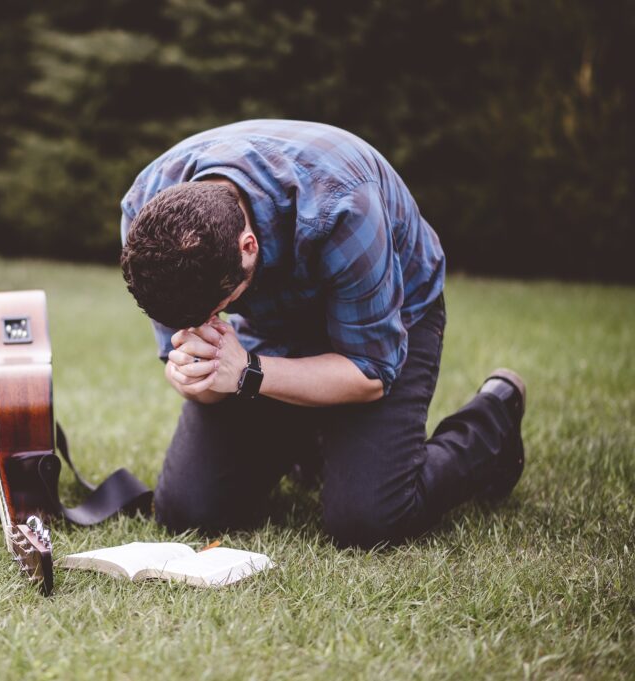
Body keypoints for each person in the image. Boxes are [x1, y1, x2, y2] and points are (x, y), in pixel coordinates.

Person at [119, 120, 526, 548]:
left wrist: (250, 373)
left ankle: (493, 422)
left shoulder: (343, 205)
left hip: (385, 319)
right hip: (272, 325)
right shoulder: (148, 225)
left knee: (368, 521)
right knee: (188, 511)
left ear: (248, 246)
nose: (211, 322)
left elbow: (370, 373)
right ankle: (307, 435)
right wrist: (193, 379)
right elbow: (195, 368)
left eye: (220, 308)